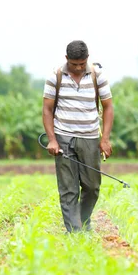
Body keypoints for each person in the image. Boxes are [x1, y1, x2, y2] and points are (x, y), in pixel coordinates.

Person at [42, 40, 114, 233]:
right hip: (63, 136)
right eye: (74, 64)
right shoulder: (55, 76)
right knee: (68, 188)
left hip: (90, 137)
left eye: (82, 64)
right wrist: (52, 139)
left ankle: (82, 221)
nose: (78, 68)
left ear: (87, 59)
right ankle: (75, 232)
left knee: (92, 187)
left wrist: (105, 139)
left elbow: (108, 107)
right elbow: (47, 109)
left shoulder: (97, 76)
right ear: (67, 59)